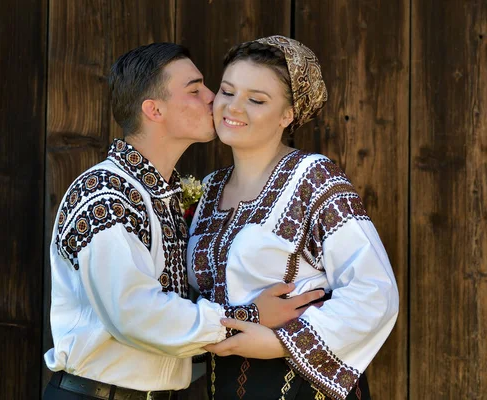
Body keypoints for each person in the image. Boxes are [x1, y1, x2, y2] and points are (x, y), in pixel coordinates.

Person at [43, 42, 325, 400]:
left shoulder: (169, 195)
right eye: (195, 90)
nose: (213, 98)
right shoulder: (104, 193)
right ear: (154, 110)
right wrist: (250, 316)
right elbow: (134, 313)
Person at [186, 36, 399, 400]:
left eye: (256, 100)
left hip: (298, 382)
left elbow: (375, 291)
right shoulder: (208, 189)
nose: (233, 108)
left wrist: (280, 342)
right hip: (223, 383)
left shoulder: (313, 178)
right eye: (227, 91)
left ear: (288, 115)